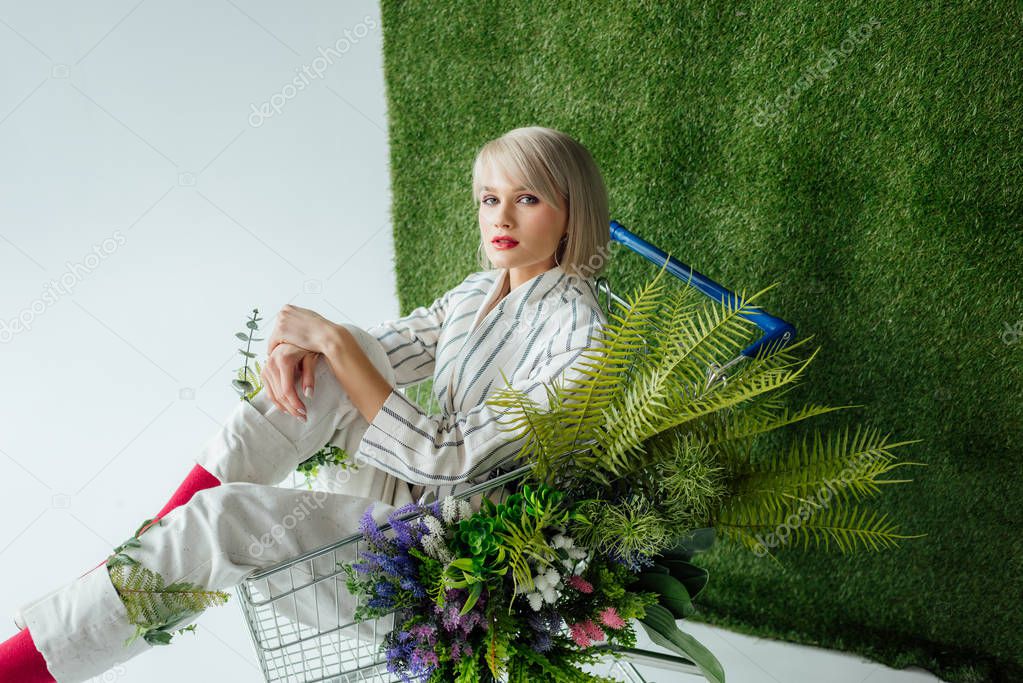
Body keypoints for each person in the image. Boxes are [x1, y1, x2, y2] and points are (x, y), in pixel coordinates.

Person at [0, 125, 612, 682]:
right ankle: (150, 546)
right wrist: (315, 349)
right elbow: (377, 357)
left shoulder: (578, 333)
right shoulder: (480, 290)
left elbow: (444, 458)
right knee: (336, 367)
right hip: (407, 504)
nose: (500, 216)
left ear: (570, 212)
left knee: (219, 522)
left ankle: (32, 658)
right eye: (488, 198)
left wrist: (333, 342)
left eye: (527, 199)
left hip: (453, 565)